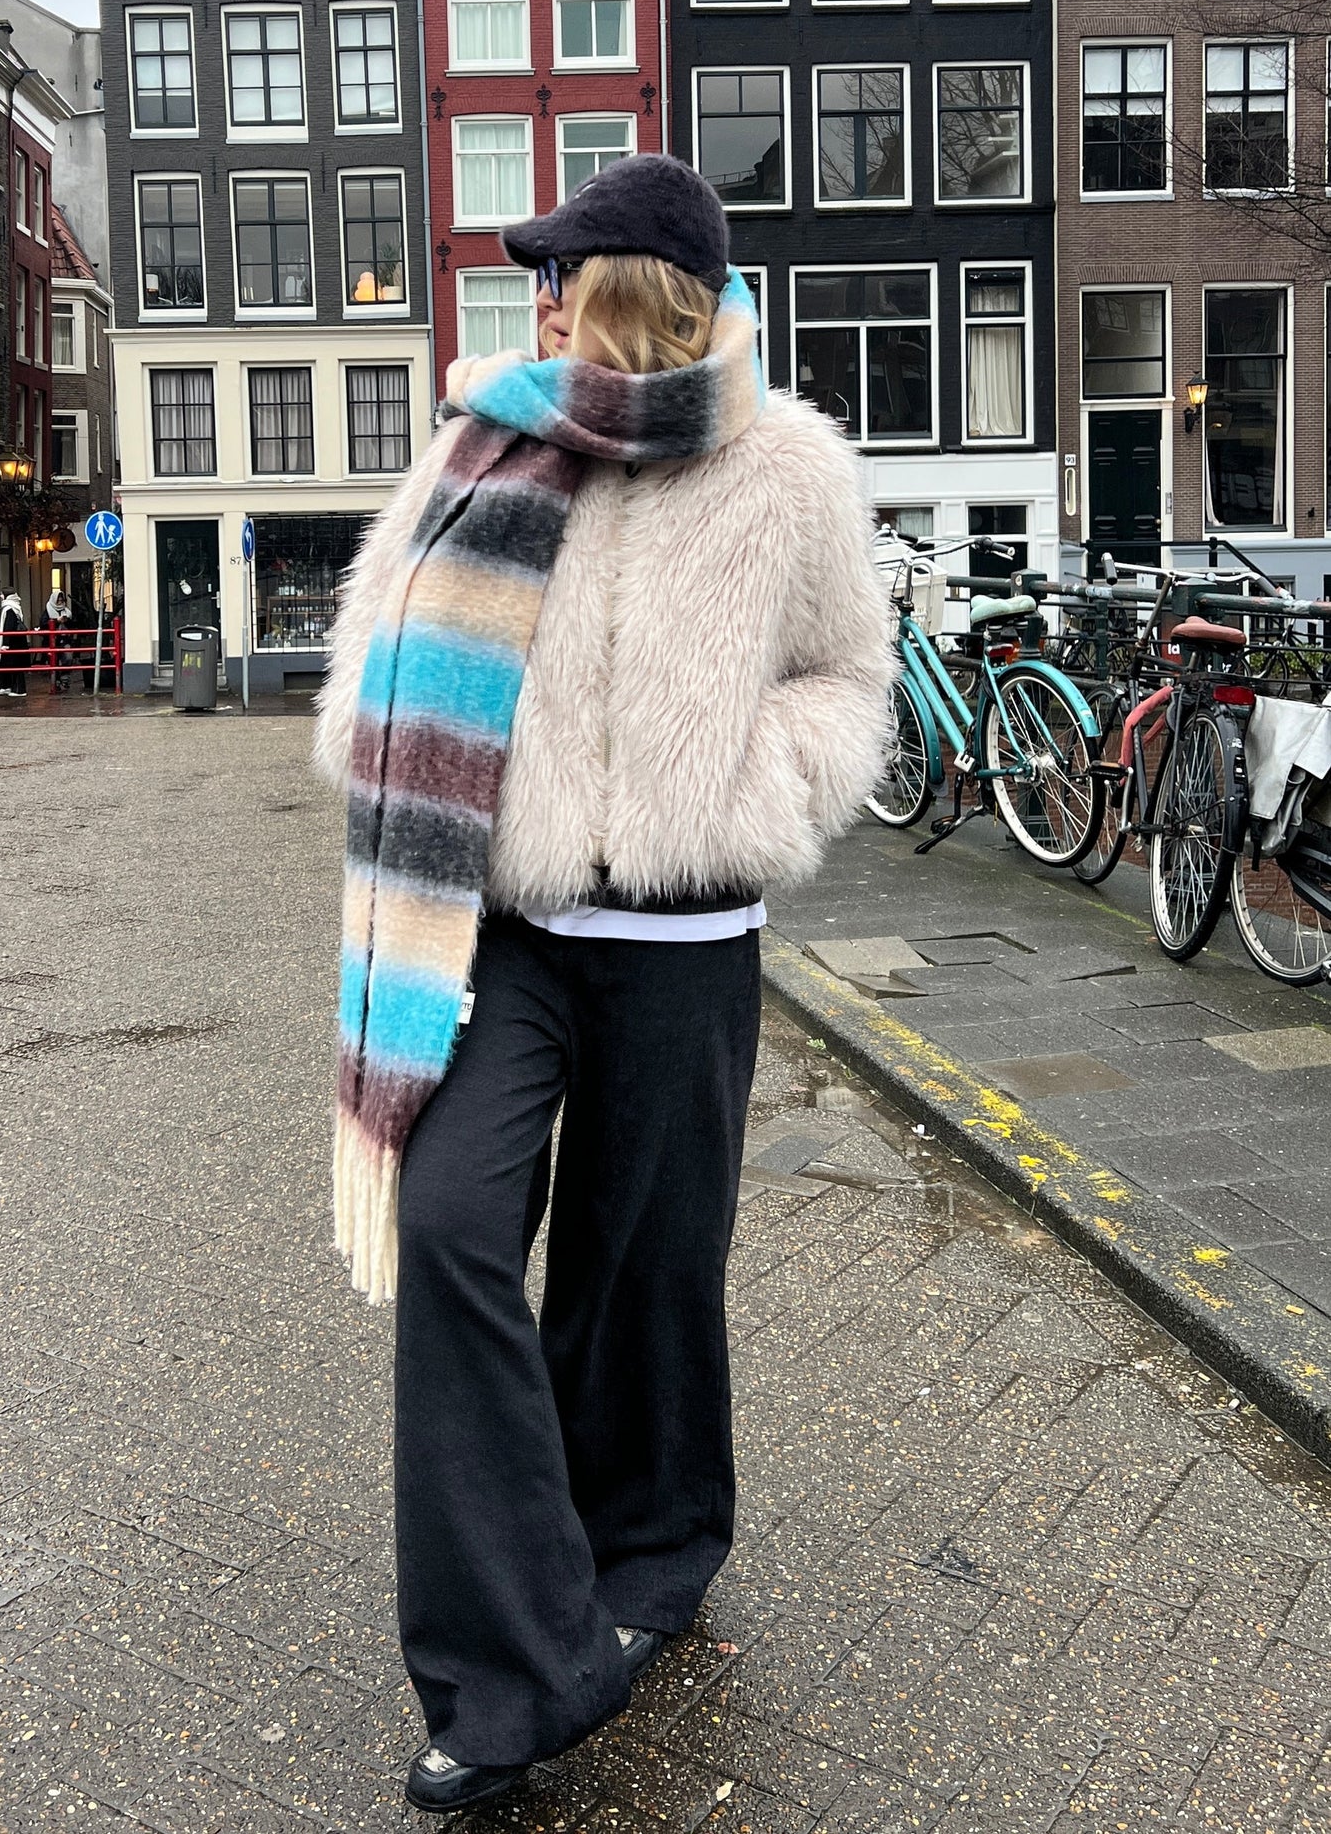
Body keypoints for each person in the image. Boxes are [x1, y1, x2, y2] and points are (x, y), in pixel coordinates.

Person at [313, 154, 895, 1815]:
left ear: (643, 284)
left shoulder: (790, 472)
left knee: (644, 1270)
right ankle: (513, 1669)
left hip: (688, 939)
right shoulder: (484, 437)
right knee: (452, 1231)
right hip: (499, 932)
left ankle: (650, 1545)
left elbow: (851, 681)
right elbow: (371, 657)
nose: (539, 300)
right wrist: (406, 745)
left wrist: (748, 796)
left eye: (562, 273)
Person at [39, 591, 73, 692]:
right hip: (51, 641)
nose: (60, 602)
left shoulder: (67, 611)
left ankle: (65, 678)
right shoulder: (47, 611)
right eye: (58, 600)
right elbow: (43, 624)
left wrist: (67, 621)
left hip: (65, 639)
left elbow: (74, 625)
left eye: (61, 600)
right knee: (53, 661)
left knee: (68, 657)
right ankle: (56, 682)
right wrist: (56, 621)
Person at [0, 591, 27, 698]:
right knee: (6, 664)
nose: (0, 596)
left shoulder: (9, 609)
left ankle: (18, 689)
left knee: (15, 665)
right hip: (16, 641)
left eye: (2, 594)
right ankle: (6, 686)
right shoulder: (15, 607)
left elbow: (8, 627)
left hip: (13, 643)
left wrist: (5, 643)